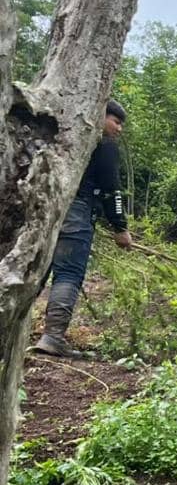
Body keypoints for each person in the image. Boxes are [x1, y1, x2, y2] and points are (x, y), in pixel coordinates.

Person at [35, 100, 134, 358]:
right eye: (116, 121)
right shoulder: (104, 146)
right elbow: (112, 189)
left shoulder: (59, 136)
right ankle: (53, 336)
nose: (119, 129)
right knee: (68, 273)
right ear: (100, 116)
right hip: (77, 212)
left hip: (43, 208)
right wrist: (120, 228)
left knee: (35, 270)